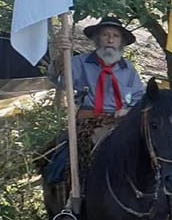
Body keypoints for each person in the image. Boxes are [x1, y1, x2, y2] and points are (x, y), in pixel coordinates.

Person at [44, 17, 146, 186]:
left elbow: (139, 99)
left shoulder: (129, 70)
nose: (110, 40)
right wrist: (62, 55)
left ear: (121, 42)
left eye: (115, 36)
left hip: (121, 123)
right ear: (97, 39)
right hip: (88, 123)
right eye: (105, 35)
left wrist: (127, 111)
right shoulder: (79, 63)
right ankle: (67, 199)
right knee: (62, 160)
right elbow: (58, 80)